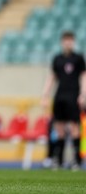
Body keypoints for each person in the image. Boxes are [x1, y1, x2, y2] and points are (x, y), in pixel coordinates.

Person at [41, 31, 86, 170]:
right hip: (60, 96)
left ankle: (76, 161)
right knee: (58, 128)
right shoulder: (57, 59)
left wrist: (83, 94)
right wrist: (45, 95)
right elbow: (52, 77)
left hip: (73, 96)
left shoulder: (78, 58)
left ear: (73, 42)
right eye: (66, 40)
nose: (68, 43)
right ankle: (59, 160)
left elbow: (83, 76)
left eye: (70, 40)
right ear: (62, 42)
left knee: (74, 128)